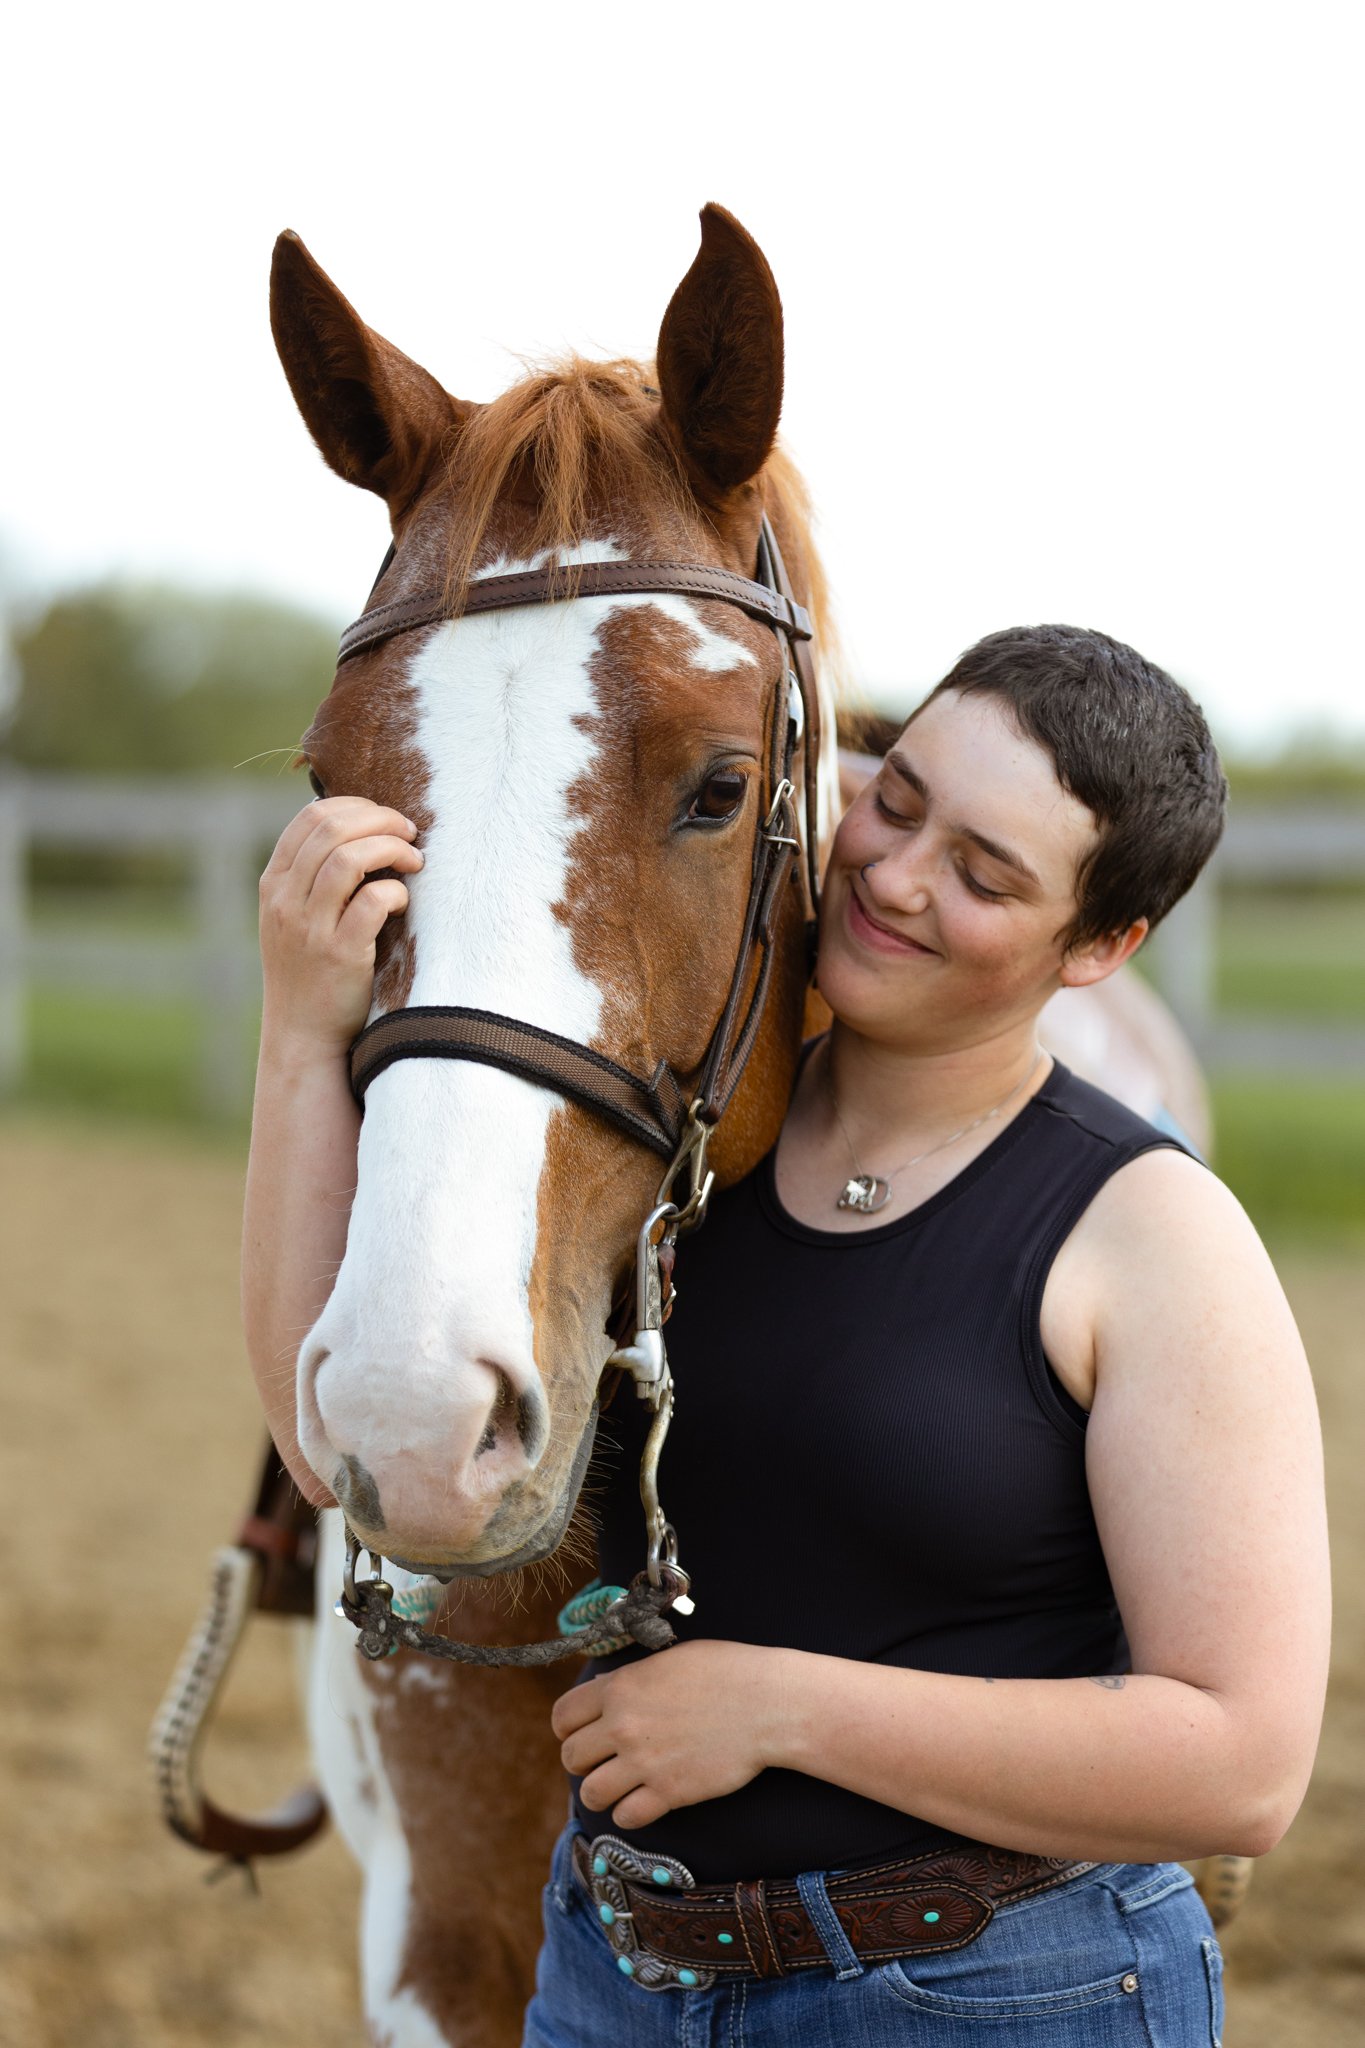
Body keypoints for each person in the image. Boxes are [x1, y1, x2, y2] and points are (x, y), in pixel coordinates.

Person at [524, 624, 1330, 2045]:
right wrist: (300, 1035)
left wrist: (776, 1710)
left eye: (982, 873)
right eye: (895, 802)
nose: (891, 878)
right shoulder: (673, 1155)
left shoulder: (1148, 1236)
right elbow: (329, 1437)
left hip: (991, 1997)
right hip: (615, 1981)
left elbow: (1238, 1765)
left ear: (1098, 948)